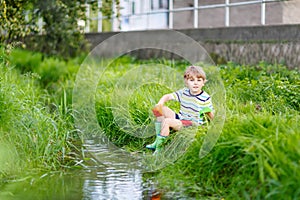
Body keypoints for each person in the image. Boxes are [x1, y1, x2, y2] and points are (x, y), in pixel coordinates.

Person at [146, 65, 214, 154]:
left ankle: (159, 149)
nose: (195, 83)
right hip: (181, 118)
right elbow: (168, 96)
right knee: (158, 109)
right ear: (186, 82)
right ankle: (157, 141)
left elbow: (209, 113)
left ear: (203, 82)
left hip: (191, 124)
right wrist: (160, 103)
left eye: (199, 80)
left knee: (167, 121)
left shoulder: (205, 98)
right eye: (192, 80)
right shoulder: (184, 92)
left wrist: (213, 126)